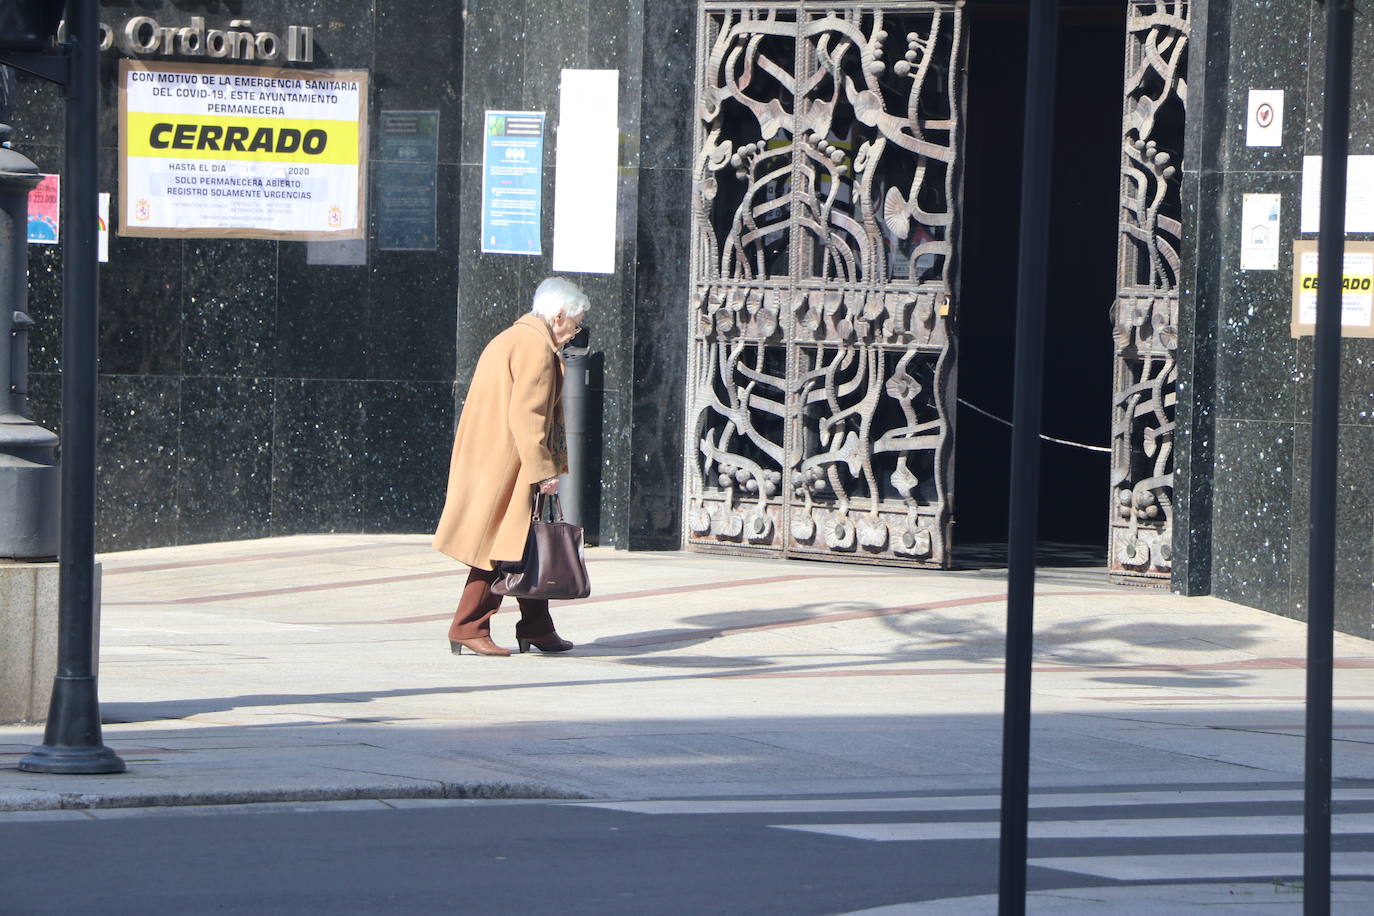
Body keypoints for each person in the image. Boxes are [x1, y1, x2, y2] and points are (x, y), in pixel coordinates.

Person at [432, 277, 589, 656]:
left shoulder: (511, 337)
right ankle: (468, 625)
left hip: (490, 456)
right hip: (510, 461)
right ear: (559, 315)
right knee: (501, 545)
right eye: (576, 323)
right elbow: (528, 416)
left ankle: (537, 627)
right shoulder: (536, 347)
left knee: (521, 543)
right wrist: (544, 470)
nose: (575, 331)